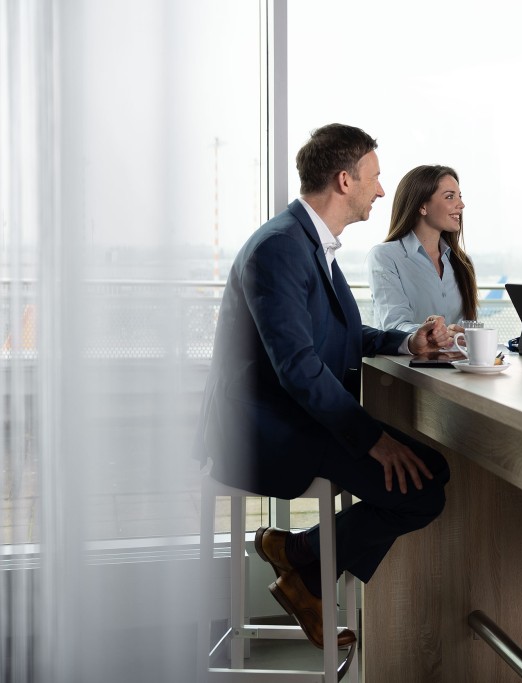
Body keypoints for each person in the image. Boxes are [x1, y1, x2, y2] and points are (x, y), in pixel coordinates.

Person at [195, 123, 453, 650]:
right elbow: (298, 367)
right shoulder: (281, 249)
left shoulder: (307, 242)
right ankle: (303, 564)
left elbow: (339, 334)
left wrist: (409, 344)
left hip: (294, 417)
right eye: (375, 179)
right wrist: (373, 440)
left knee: (437, 469)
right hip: (268, 429)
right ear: (344, 180)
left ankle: (301, 561)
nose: (382, 191)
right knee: (422, 491)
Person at [367, 165, 478, 335]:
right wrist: (433, 334)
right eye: (450, 197)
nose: (461, 205)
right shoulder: (385, 257)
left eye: (459, 197)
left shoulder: (463, 263)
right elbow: (394, 325)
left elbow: (466, 327)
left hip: (456, 361)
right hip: (406, 361)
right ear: (422, 207)